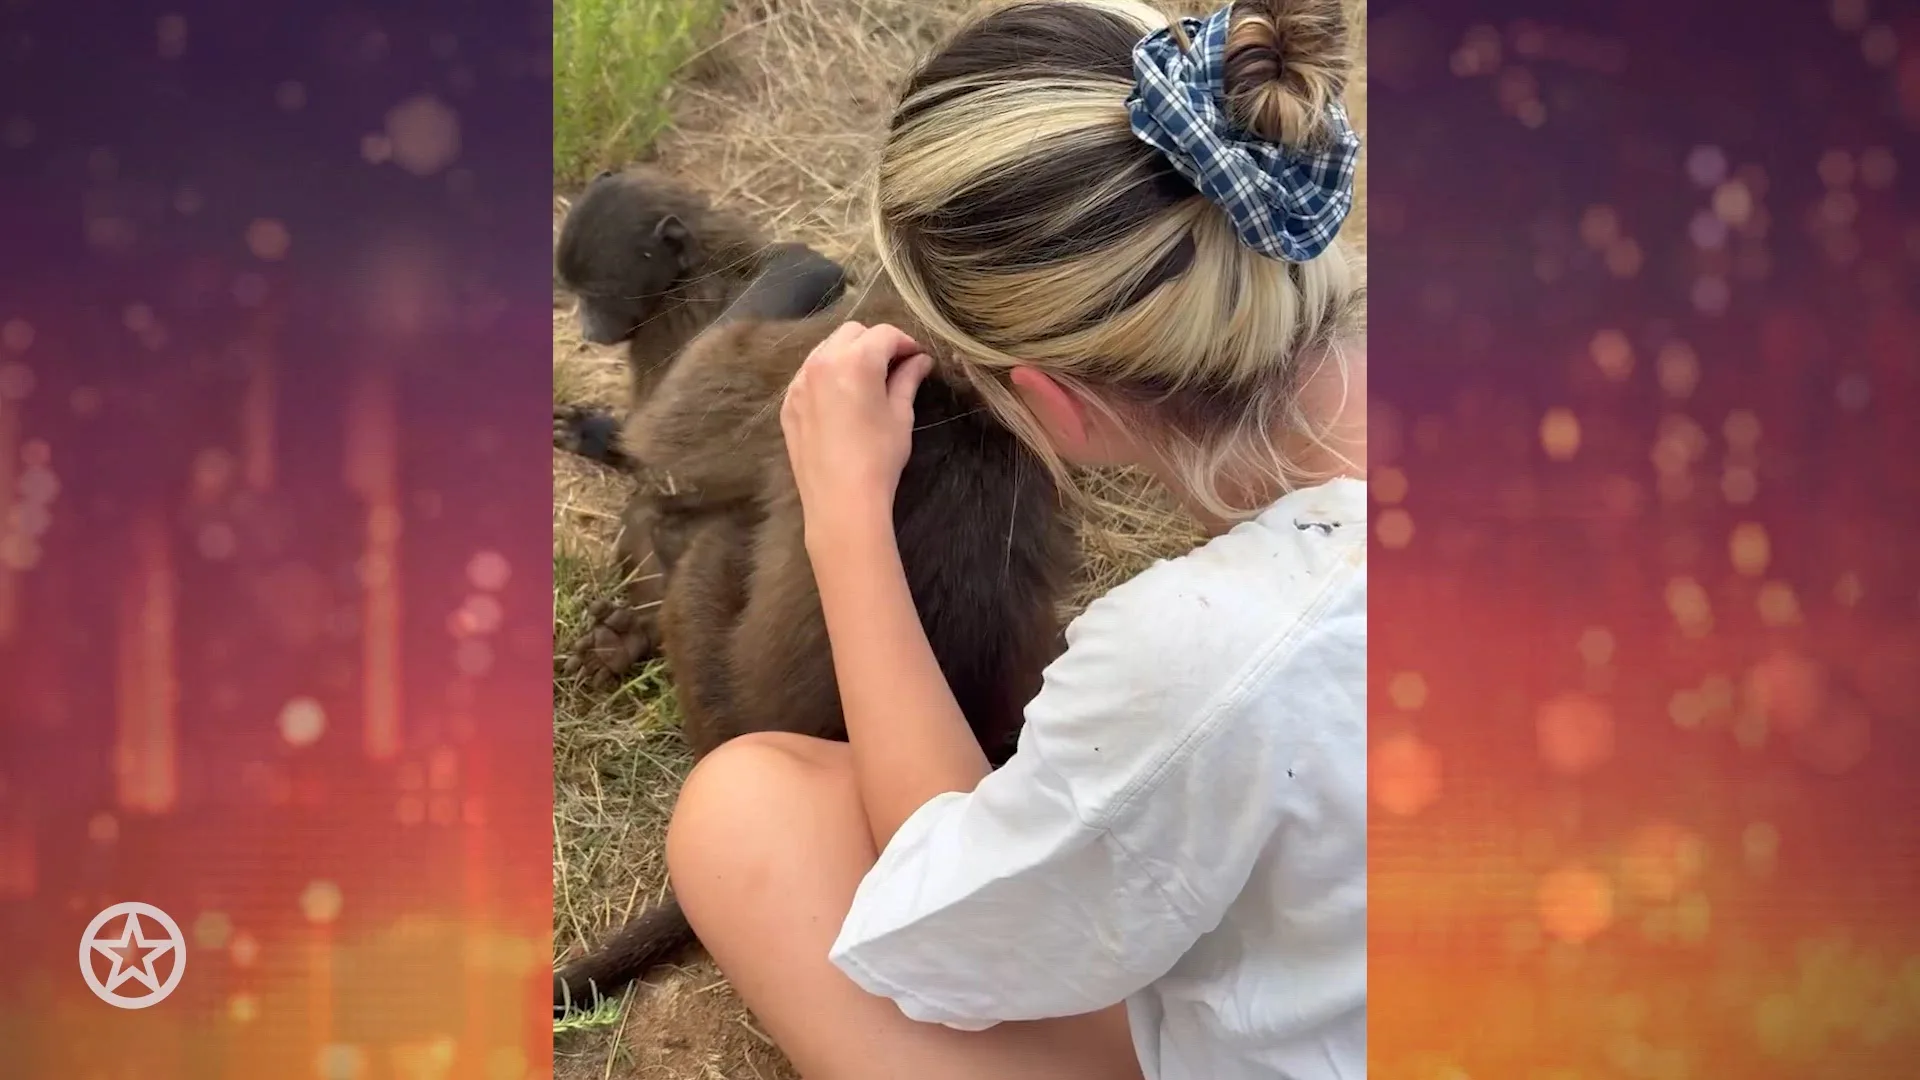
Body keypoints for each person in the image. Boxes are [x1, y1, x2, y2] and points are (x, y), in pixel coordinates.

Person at [664, 0, 1366, 1077]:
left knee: (738, 813)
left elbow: (960, 920)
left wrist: (845, 519)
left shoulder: (1204, 655)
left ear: (1051, 405)